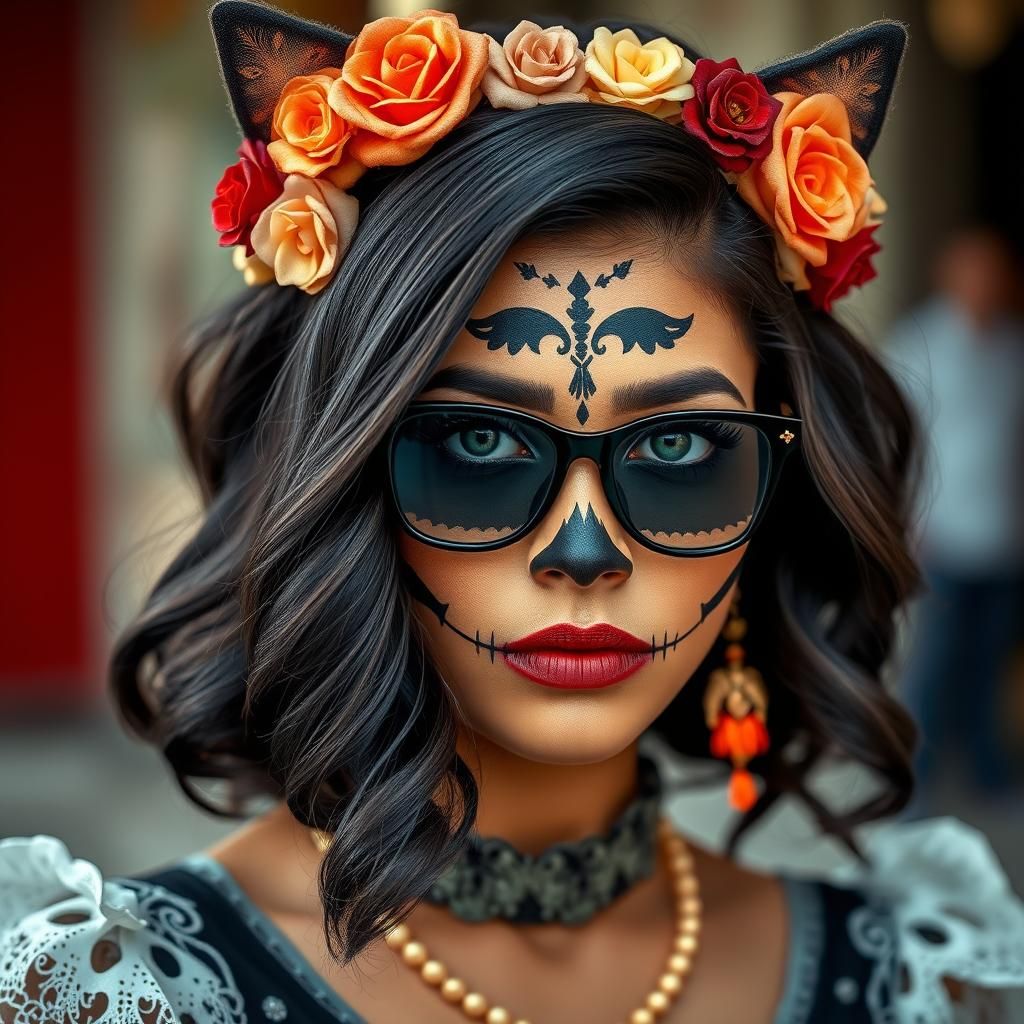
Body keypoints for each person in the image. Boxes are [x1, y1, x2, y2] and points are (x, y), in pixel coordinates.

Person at [2, 4, 1022, 1023]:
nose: (583, 551)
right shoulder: (109, 993)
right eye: (479, 444)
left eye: (677, 448)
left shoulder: (919, 980)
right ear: (345, 478)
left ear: (780, 490)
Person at [884, 227, 1024, 804]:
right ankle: (913, 779)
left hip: (1004, 533)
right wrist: (905, 519)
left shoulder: (1012, 347)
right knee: (932, 663)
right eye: (973, 270)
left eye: (994, 271)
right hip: (940, 532)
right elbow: (895, 441)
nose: (984, 283)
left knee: (989, 661)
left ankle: (987, 771)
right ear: (949, 276)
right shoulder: (918, 343)